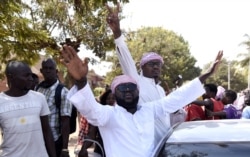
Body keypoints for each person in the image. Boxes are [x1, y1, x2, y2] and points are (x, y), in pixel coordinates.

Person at [59, 44, 222, 157]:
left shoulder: (148, 110)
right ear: (114, 96)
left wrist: (206, 74)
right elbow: (90, 109)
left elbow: (176, 98)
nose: (128, 90)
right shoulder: (109, 115)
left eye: (132, 87)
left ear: (138, 91)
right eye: (123, 88)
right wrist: (81, 81)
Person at [106, 3, 187, 144]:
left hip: (165, 145)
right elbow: (125, 58)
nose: (156, 67)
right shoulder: (136, 81)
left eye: (158, 64)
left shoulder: (161, 89)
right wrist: (117, 33)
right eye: (151, 64)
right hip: (147, 145)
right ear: (141, 67)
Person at [0, 60, 56, 157]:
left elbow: (46, 131)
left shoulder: (39, 98)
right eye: (26, 76)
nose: (31, 79)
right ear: (11, 77)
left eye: (30, 75)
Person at [37, 58, 72, 157]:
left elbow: (65, 122)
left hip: (55, 141)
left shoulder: (63, 91)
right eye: (45, 68)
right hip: (38, 141)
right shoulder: (38, 89)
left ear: (56, 71)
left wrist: (65, 148)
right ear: (41, 71)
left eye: (51, 68)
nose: (48, 71)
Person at [78, 89, 115, 157]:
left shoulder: (124, 115)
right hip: (102, 151)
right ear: (104, 101)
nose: (111, 100)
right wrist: (84, 148)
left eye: (114, 98)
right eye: (108, 98)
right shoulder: (99, 115)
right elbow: (91, 134)